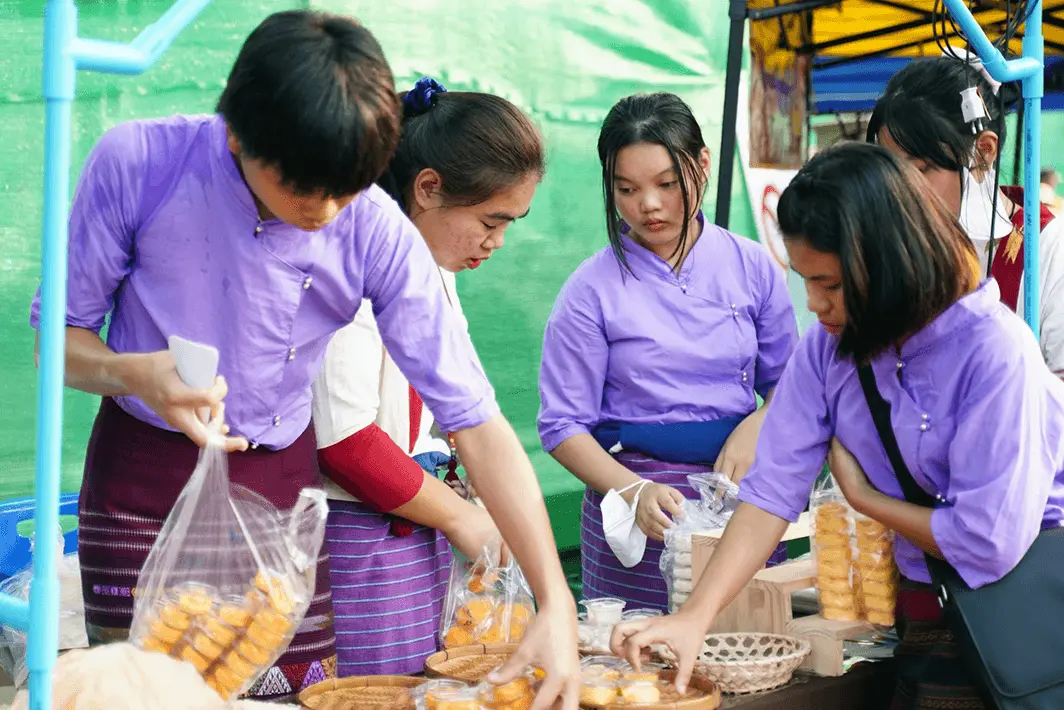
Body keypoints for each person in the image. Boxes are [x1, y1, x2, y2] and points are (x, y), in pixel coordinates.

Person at [28, 11, 579, 707]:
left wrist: (555, 599)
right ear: (236, 132)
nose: (324, 213)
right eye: (302, 190)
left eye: (345, 188)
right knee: (140, 692)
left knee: (288, 696)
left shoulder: (374, 228)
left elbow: (474, 417)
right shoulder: (139, 163)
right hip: (146, 474)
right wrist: (135, 373)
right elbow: (60, 343)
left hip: (283, 488)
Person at [611, 142, 1064, 708]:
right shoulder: (830, 351)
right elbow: (771, 493)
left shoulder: (995, 351)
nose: (815, 304)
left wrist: (863, 497)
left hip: (1028, 611)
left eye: (830, 284)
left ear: (892, 263)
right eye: (805, 280)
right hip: (931, 617)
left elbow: (986, 542)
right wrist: (693, 618)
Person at [311, 77, 544, 677]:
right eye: (492, 221)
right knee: (379, 686)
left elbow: (462, 408)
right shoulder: (348, 257)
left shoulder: (438, 269)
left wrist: (468, 485)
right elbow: (345, 442)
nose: (496, 242)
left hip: (418, 520)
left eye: (511, 224)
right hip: (358, 536)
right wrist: (467, 519)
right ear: (429, 187)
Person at [536, 93, 798, 612]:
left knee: (753, 662)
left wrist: (761, 423)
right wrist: (632, 491)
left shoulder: (754, 266)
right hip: (644, 512)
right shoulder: (590, 289)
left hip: (746, 499)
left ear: (702, 165)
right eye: (627, 189)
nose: (648, 205)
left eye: (667, 184)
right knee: (639, 673)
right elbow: (562, 426)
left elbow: (793, 382)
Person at [867, 56, 1064, 377]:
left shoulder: (1049, 249)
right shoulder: (892, 244)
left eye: (919, 172)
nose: (900, 195)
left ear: (984, 151)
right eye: (891, 175)